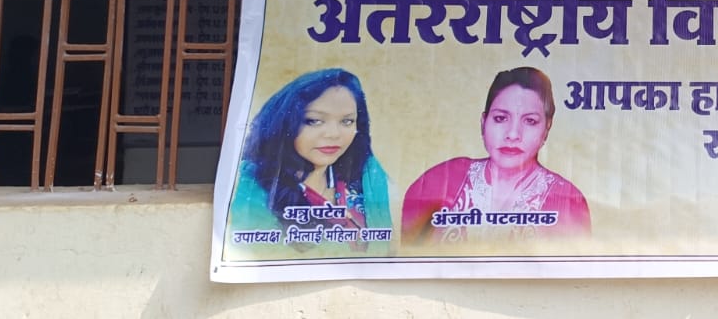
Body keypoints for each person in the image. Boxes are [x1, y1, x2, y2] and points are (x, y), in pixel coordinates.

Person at [402, 67, 591, 244]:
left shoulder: (566, 200)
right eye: (500, 118)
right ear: (484, 123)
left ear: (546, 128)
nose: (513, 134)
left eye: (530, 121)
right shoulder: (439, 181)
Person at [228, 68, 392, 253]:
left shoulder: (366, 174)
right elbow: (254, 255)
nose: (333, 134)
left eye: (346, 121)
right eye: (314, 121)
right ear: (285, 122)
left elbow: (388, 247)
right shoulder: (252, 182)